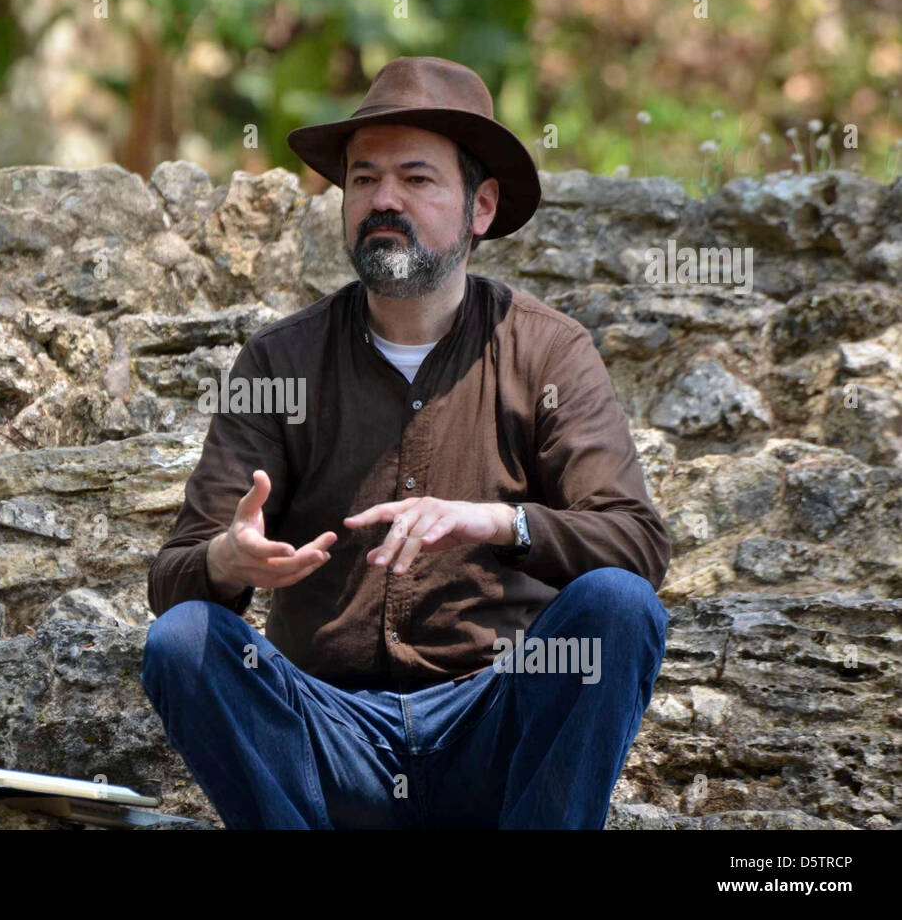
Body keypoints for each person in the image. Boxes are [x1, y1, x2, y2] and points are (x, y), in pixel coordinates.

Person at [141, 56, 672, 829]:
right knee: (184, 639)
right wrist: (228, 559)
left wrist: (500, 521)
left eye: (417, 179)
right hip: (327, 735)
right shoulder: (279, 363)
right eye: (363, 179)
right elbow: (174, 579)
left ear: (480, 206)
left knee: (619, 606)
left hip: (494, 723)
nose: (383, 199)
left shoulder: (549, 353)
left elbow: (637, 543)